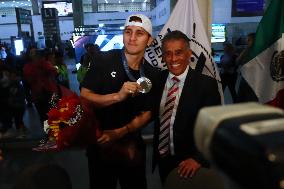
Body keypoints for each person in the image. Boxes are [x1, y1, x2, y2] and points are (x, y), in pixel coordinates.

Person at [80, 14, 160, 189]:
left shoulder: (153, 74)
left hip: (132, 146)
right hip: (100, 144)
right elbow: (84, 95)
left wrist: (120, 132)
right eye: (128, 32)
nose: (132, 38)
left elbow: (147, 113)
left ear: (149, 40)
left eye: (139, 33)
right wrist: (117, 96)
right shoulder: (103, 59)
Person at [152, 30, 221, 184]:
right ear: (163, 56)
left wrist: (199, 159)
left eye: (178, 52)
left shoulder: (206, 85)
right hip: (163, 157)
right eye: (168, 54)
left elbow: (213, 127)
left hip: (191, 163)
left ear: (189, 53)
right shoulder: (159, 79)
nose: (173, 58)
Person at [235, 33, 258, 102]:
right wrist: (245, 50)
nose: (247, 42)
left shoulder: (257, 52)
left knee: (251, 99)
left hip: (253, 80)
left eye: (249, 40)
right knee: (241, 99)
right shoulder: (246, 51)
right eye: (247, 40)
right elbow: (237, 62)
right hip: (245, 79)